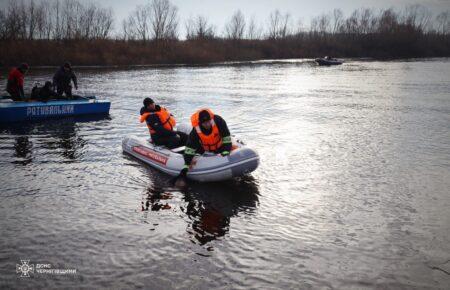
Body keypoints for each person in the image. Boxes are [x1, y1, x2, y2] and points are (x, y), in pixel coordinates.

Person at [177, 109, 232, 180]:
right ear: (200, 123)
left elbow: (226, 136)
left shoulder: (218, 121)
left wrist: (227, 149)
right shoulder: (196, 130)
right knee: (194, 149)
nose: (207, 124)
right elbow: (190, 147)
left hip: (220, 146)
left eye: (208, 122)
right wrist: (186, 164)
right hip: (205, 149)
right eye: (204, 123)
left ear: (210, 119)